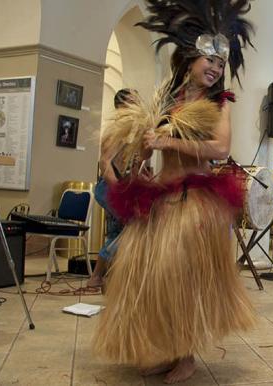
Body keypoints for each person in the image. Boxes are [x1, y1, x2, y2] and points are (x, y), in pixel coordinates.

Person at [91, 2, 256, 383]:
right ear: (188, 57)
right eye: (208, 60)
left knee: (186, 278)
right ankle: (164, 345)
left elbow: (219, 150)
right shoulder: (167, 98)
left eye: (220, 63)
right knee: (153, 276)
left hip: (195, 202)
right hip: (161, 198)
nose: (215, 68)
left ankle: (186, 353)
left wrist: (167, 143)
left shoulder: (220, 104)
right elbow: (147, 142)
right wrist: (142, 160)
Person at [86, 88, 137, 288]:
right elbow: (105, 163)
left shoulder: (131, 130)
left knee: (117, 232)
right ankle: (106, 276)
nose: (138, 105)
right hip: (108, 188)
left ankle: (98, 277)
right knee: (130, 227)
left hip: (118, 187)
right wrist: (119, 191)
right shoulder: (115, 130)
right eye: (134, 101)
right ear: (122, 107)